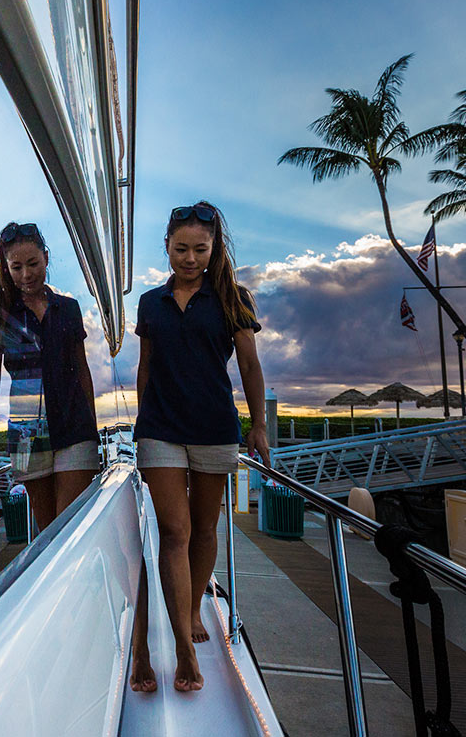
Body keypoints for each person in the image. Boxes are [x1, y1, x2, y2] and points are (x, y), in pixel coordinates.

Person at [129, 202, 270, 693]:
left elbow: (250, 367)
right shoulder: (150, 303)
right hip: (161, 430)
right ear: (166, 246)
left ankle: (191, 609)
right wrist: (145, 420)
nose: (190, 258)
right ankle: (184, 651)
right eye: (181, 248)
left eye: (200, 249)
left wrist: (259, 427)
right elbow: (146, 365)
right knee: (175, 531)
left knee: (205, 528)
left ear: (215, 249)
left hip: (214, 427)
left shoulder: (234, 297)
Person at [0, 222, 100, 529]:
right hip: (26, 434)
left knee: (69, 526)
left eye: (33, 264)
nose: (26, 274)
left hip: (75, 427)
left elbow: (82, 370)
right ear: (6, 268)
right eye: (16, 267)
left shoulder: (68, 309)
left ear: (46, 257)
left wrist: (92, 429)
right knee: (47, 530)